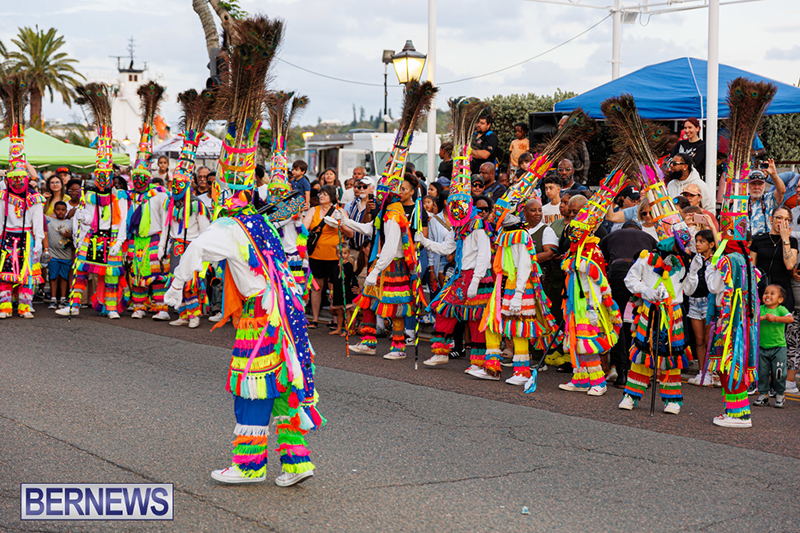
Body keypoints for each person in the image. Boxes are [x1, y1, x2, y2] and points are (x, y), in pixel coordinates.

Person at [57, 83, 128, 318]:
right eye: (100, 176)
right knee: (81, 270)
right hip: (93, 237)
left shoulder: (119, 195)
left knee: (110, 275)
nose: (104, 179)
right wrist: (84, 222)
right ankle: (74, 306)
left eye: (107, 175)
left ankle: (110, 307)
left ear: (112, 176)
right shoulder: (90, 194)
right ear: (96, 177)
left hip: (112, 238)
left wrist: (119, 241)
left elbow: (123, 220)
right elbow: (85, 216)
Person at [0, 81, 45, 320]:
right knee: (5, 272)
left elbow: (38, 221)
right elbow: (0, 219)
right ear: (9, 179)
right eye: (13, 179)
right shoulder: (4, 195)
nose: (17, 183)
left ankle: (25, 306)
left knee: (27, 273)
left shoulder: (34, 198)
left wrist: (38, 241)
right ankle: (5, 306)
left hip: (26, 236)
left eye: (21, 179)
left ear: (26, 179)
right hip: (8, 236)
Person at [599, 221, 658, 387]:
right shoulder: (649, 237)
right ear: (638, 229)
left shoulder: (611, 236)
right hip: (641, 275)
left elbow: (603, 258)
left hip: (617, 271)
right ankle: (640, 372)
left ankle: (621, 374)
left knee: (616, 322)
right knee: (642, 321)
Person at [304, 185, 352, 328]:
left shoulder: (339, 211)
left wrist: (339, 224)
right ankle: (315, 318)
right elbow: (304, 229)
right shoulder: (314, 210)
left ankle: (337, 320)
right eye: (320, 194)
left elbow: (350, 233)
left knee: (335, 287)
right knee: (317, 287)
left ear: (332, 196)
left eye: (325, 194)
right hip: (316, 255)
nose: (321, 196)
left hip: (335, 256)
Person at [750, 206, 798, 314]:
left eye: (786, 219)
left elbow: (790, 265)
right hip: (762, 290)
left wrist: (785, 239)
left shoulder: (792, 241)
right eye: (779, 218)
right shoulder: (759, 240)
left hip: (782, 291)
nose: (782, 222)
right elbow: (751, 268)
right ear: (771, 219)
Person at [753, 284, 793, 408]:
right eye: (766, 293)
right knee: (762, 372)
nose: (768, 295)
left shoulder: (781, 309)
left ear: (780, 299)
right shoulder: (761, 309)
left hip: (778, 347)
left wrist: (775, 318)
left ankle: (780, 394)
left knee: (779, 373)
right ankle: (763, 394)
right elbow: (753, 318)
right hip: (762, 347)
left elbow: (790, 319)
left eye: (772, 293)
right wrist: (763, 317)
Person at [686, 230, 717, 387]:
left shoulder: (717, 260)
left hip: (708, 301)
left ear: (711, 244)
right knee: (698, 340)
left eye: (702, 241)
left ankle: (710, 372)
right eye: (696, 241)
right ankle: (701, 372)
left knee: (707, 339)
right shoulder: (694, 259)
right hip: (694, 301)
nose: (697, 244)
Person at [46, 201, 73, 308]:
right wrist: (45, 200)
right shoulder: (50, 220)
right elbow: (40, 214)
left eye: (63, 210)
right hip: (53, 254)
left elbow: (76, 237)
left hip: (66, 255)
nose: (60, 212)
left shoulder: (70, 223)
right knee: (53, 277)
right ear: (54, 211)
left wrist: (70, 236)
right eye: (58, 209)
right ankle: (53, 299)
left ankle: (62, 298)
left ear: (66, 211)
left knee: (64, 277)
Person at [329, 243, 358, 336]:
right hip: (337, 291)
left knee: (347, 311)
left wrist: (341, 266)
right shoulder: (334, 266)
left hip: (346, 291)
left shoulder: (349, 265)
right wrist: (332, 291)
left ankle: (347, 329)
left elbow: (344, 277)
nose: (342, 255)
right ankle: (338, 328)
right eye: (340, 253)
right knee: (339, 311)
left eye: (345, 253)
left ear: (348, 254)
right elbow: (333, 280)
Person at [748, 167, 785, 236]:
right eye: (753, 184)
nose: (756, 187)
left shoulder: (769, 198)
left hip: (767, 243)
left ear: (764, 185)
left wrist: (773, 174)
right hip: (746, 243)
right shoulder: (741, 201)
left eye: (760, 184)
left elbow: (781, 191)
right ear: (748, 185)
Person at [343, 176, 375, 251]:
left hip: (368, 251)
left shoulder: (376, 205)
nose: (361, 189)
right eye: (359, 187)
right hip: (352, 248)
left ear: (372, 188)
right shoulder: (352, 204)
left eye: (365, 187)